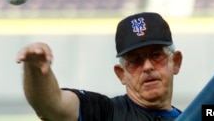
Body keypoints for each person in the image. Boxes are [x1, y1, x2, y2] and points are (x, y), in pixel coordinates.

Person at [16, 12, 183, 121]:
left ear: (175, 62)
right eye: (135, 61)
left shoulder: (195, 116)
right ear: (121, 74)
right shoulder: (105, 113)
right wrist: (34, 69)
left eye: (156, 56)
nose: (147, 66)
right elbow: (51, 106)